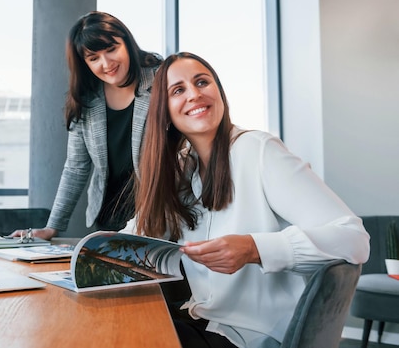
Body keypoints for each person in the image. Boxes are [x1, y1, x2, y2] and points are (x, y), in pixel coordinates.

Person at [129, 52, 370, 348]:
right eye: (178, 90)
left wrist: (254, 248)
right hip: (205, 322)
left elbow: (354, 237)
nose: (195, 94)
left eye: (202, 82)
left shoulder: (259, 150)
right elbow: (138, 235)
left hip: (253, 337)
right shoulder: (182, 167)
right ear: (163, 111)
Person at [12, 11, 162, 240]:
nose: (106, 63)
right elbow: (76, 167)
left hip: (158, 214)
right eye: (94, 58)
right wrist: (52, 227)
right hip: (109, 219)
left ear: (127, 43)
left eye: (112, 49)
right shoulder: (86, 100)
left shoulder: (162, 80)